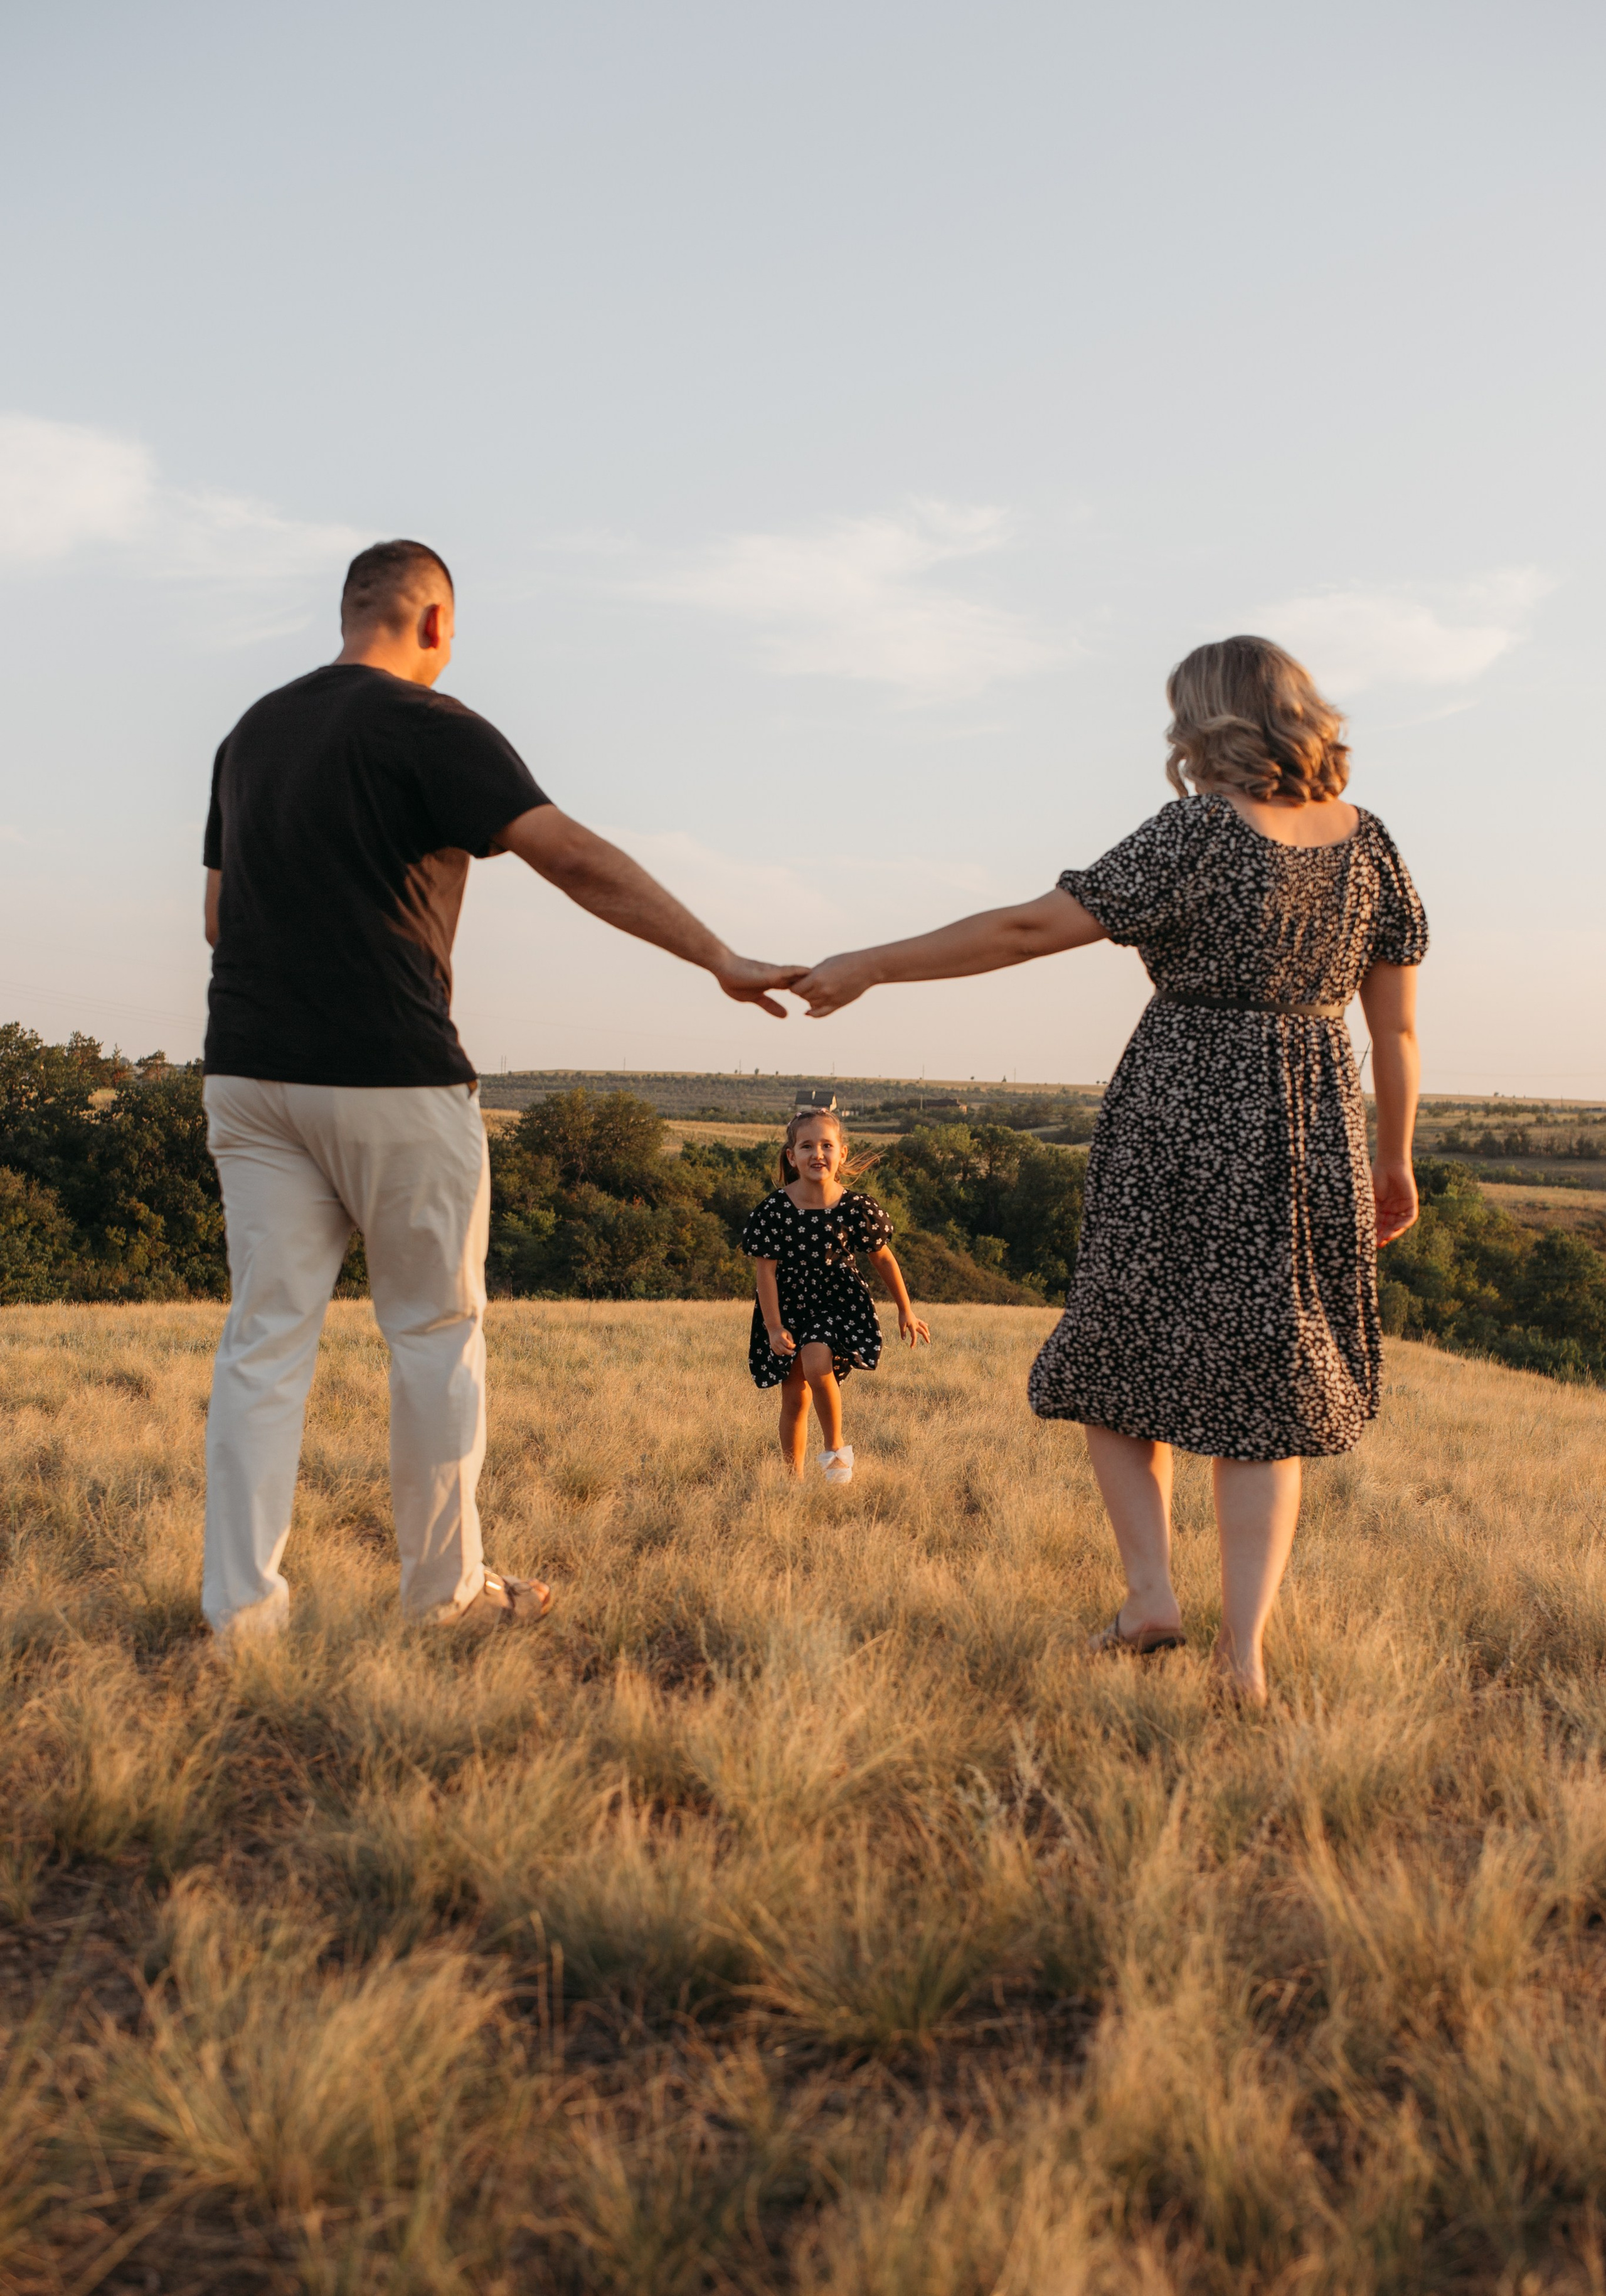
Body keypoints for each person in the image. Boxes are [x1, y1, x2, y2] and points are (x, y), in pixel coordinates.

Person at [791, 637, 1427, 1703]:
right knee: (1267, 1389)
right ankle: (1242, 1662)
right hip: (1312, 1126)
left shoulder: (1198, 831)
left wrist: (872, 964)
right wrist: (1392, 1158)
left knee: (1118, 1351)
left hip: (1177, 1113)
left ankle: (1149, 1598)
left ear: (1208, 719)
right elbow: (1397, 1031)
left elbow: (1025, 929)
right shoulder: (1372, 846)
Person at [201, 538, 802, 1644]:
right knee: (434, 1333)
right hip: (390, 1069)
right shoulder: (432, 725)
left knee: (264, 1343)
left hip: (245, 1070)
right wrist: (717, 956)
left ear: (349, 612)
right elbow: (570, 856)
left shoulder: (252, 733)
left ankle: (242, 1617)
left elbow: (215, 916)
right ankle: (445, 1601)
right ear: (436, 622)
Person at [741, 1105, 929, 1482]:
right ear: (791, 1156)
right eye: (807, 1146)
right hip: (788, 1307)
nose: (818, 1154)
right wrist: (774, 1327)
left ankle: (835, 1452)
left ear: (842, 1153)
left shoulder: (856, 1207)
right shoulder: (774, 1209)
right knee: (795, 1397)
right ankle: (792, 1481)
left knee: (816, 1364)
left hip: (837, 1304)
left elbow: (883, 1259)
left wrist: (905, 1309)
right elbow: (766, 1273)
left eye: (827, 1145)